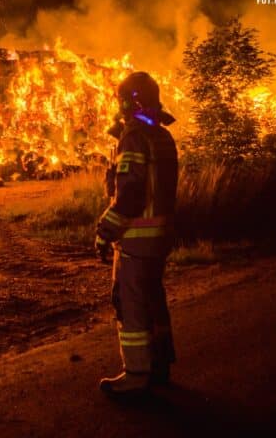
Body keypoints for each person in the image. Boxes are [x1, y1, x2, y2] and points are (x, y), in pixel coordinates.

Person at [94, 71, 178, 396]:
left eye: (122, 100)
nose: (119, 107)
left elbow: (129, 195)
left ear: (132, 101)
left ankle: (137, 373)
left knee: (131, 304)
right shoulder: (162, 136)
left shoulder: (134, 137)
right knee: (154, 301)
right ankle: (159, 366)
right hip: (159, 238)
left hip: (136, 241)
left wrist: (105, 230)